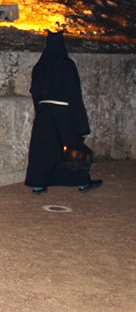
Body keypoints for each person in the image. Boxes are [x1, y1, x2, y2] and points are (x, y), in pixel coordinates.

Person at [25, 31, 103, 194]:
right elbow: (74, 93)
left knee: (44, 148)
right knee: (73, 144)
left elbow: (35, 91)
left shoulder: (40, 66)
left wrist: (41, 110)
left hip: (44, 112)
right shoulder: (67, 64)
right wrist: (80, 120)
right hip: (64, 112)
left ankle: (39, 184)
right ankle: (82, 182)